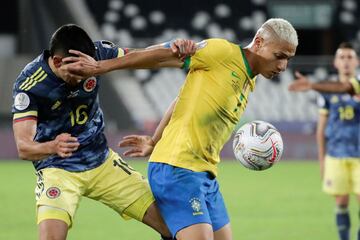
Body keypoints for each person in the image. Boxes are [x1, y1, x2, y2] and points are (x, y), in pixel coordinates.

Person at [61, 18, 298, 240]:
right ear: (258, 43)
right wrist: (101, 67)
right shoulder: (222, 53)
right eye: (279, 56)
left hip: (205, 173)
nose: (283, 65)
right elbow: (161, 56)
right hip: (177, 168)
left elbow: (180, 100)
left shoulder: (250, 79)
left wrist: (153, 140)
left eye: (288, 58)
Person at [11, 24, 196, 240]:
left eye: (85, 71)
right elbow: (23, 147)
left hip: (102, 162)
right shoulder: (30, 83)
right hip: (58, 169)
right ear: (57, 61)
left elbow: (142, 55)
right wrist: (51, 146)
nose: (81, 78)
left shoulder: (97, 55)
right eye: (75, 72)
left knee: (175, 227)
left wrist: (174, 46)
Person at [290, 43, 360, 240]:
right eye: (342, 57)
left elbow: (345, 88)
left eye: (350, 57)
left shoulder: (356, 83)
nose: (346, 61)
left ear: (357, 61)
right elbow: (321, 129)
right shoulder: (327, 91)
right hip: (336, 155)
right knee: (341, 203)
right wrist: (322, 161)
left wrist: (311, 85)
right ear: (335, 62)